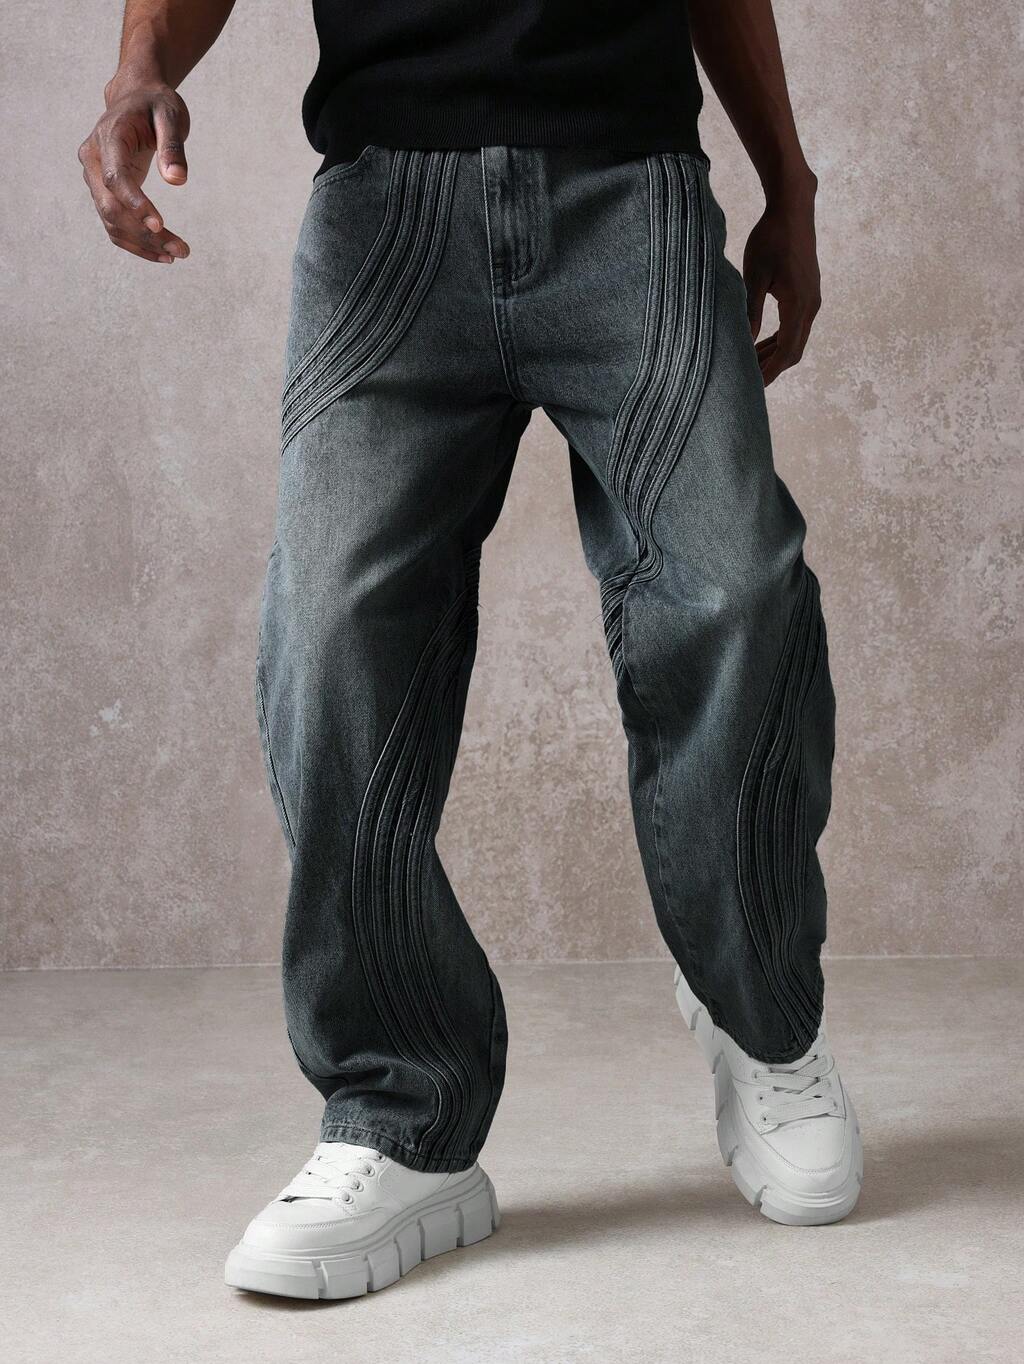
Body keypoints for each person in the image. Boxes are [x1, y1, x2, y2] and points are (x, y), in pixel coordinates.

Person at [80, 0, 863, 1300]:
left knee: (738, 591)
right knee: (330, 636)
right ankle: (406, 1118)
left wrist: (790, 182)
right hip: (387, 218)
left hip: (634, 195)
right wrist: (138, 70)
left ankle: (761, 1016)